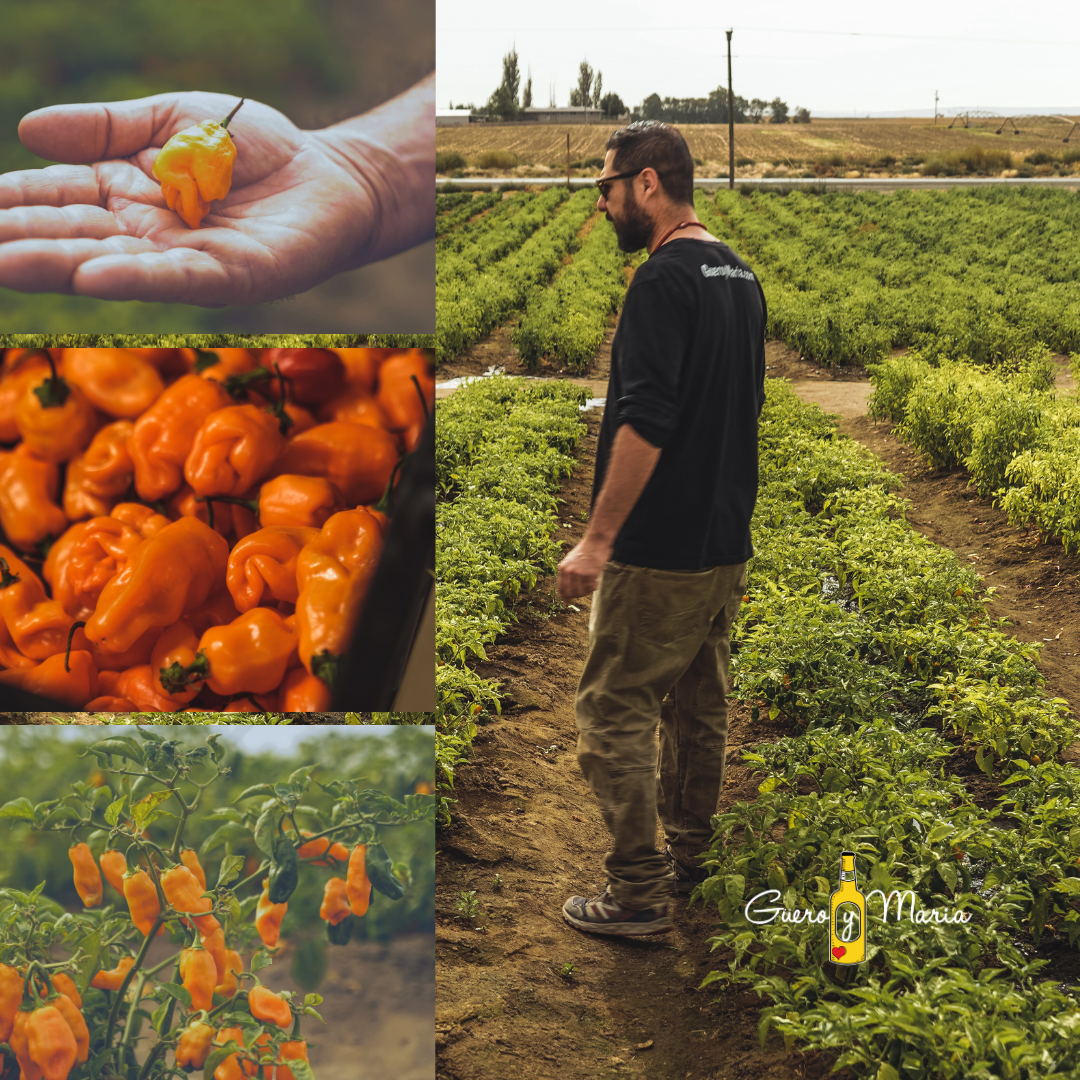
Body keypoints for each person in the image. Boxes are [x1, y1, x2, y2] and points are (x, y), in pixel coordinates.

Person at [556, 120, 767, 937]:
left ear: (647, 182)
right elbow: (740, 409)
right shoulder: (737, 275)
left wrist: (599, 539)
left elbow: (645, 418)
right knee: (698, 707)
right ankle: (693, 857)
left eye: (605, 189)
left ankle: (637, 890)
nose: (602, 205)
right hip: (721, 541)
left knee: (614, 708)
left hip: (663, 548)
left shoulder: (661, 281)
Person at [0, 74, 433, 308]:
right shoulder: (210, 145)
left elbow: (188, 179)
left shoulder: (211, 145)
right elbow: (190, 181)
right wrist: (369, 174)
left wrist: (368, 175)